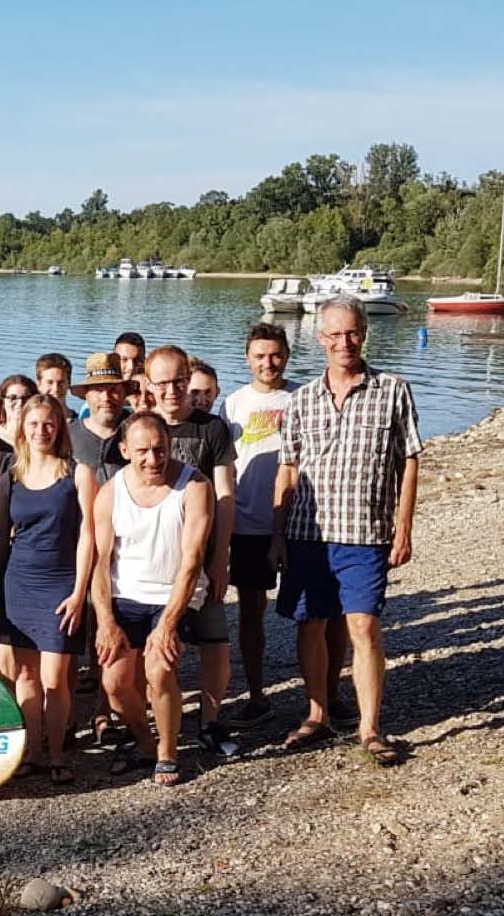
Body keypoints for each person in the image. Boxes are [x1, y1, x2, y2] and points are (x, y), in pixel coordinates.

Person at [271, 297, 423, 766]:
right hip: (308, 531)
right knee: (310, 624)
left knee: (364, 625)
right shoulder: (301, 399)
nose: (345, 342)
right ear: (320, 339)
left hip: (365, 530)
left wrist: (404, 526)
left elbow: (409, 460)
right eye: (335, 334)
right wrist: (277, 534)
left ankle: (370, 727)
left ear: (364, 334)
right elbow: (287, 469)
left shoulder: (392, 390)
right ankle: (316, 714)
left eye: (352, 332)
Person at [91, 414, 211, 787]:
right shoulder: (110, 492)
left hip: (174, 592)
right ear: (125, 450)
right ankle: (144, 741)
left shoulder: (194, 486)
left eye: (160, 449)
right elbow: (100, 562)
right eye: (142, 451)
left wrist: (168, 624)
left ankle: (168, 752)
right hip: (126, 593)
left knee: (159, 669)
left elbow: (192, 561)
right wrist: (106, 621)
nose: (152, 459)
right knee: (114, 682)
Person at [127, 344, 238, 737]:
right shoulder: (140, 428)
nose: (171, 390)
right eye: (162, 383)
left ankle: (210, 720)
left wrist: (220, 557)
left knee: (215, 640)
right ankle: (148, 721)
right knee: (145, 646)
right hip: (151, 559)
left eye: (178, 381)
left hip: (201, 554)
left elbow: (225, 496)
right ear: (148, 384)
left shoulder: (212, 429)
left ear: (189, 380)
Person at [0, 394, 96, 785]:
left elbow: (89, 535)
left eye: (49, 423)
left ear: (60, 427)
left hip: (60, 584)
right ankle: (32, 751)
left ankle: (57, 755)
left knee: (55, 678)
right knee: (25, 675)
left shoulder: (78, 474)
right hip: (18, 583)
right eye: (33, 424)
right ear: (23, 428)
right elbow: (0, 539)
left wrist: (80, 591)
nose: (41, 431)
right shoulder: (11, 477)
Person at [221, 322, 296, 722]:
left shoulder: (302, 397)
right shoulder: (234, 404)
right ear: (247, 359)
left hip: (299, 522)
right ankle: (256, 694)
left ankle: (322, 696)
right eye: (260, 356)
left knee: (313, 613)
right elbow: (223, 466)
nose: (269, 363)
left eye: (275, 355)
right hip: (247, 524)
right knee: (251, 612)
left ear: (287, 355)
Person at [68, 352, 132, 483]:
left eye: (114, 390)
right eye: (98, 390)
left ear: (124, 393)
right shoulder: (68, 436)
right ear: (86, 395)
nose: (106, 397)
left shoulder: (138, 431)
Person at [0, 374, 37, 447]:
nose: (20, 403)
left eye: (25, 398)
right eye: (12, 398)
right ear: (2, 401)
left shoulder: (38, 435)